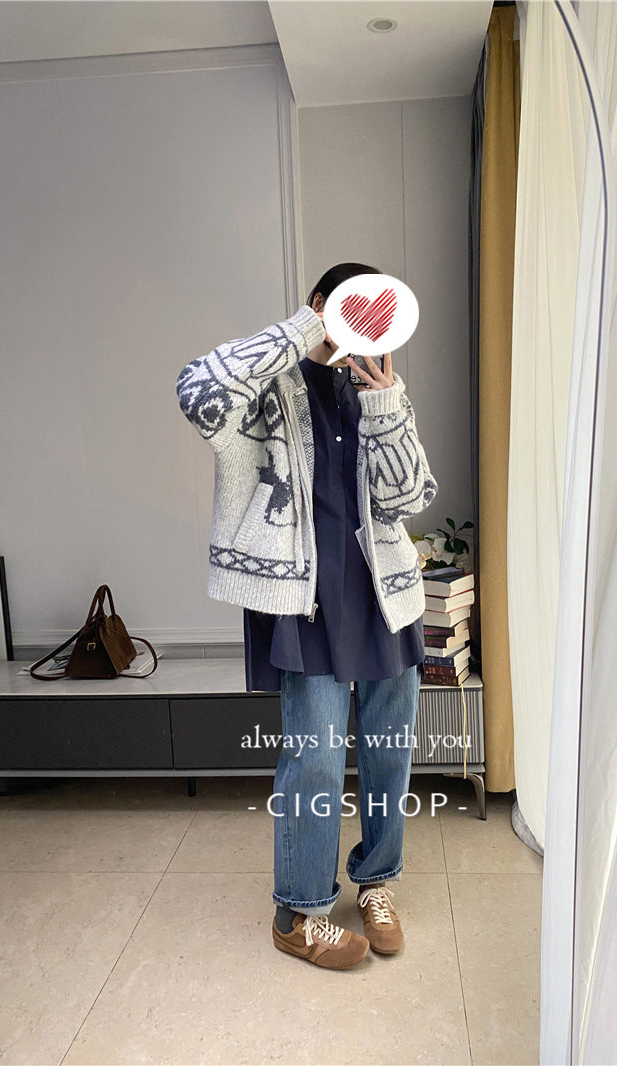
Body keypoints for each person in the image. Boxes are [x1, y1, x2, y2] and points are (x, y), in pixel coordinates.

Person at [176, 263, 438, 969]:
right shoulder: (270, 386)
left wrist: (386, 408)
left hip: (386, 599)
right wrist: (305, 330)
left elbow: (410, 497)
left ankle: (377, 882)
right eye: (351, 308)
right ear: (320, 304)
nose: (364, 324)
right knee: (315, 758)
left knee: (388, 752)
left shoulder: (379, 390)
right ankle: (300, 913)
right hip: (307, 602)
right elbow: (198, 391)